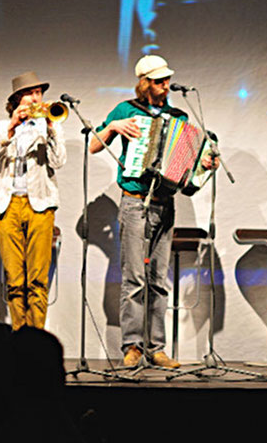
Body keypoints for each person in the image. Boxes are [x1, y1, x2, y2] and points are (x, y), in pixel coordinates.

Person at [89, 54, 216, 369]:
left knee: (158, 279)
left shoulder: (178, 116)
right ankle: (131, 346)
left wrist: (204, 165)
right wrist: (114, 127)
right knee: (134, 278)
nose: (165, 86)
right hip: (134, 201)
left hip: (165, 202)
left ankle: (155, 347)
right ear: (144, 83)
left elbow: (187, 167)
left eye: (167, 80)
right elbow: (94, 145)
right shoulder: (126, 110)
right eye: (159, 81)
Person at [0, 71, 66, 330]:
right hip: (10, 205)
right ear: (18, 98)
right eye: (30, 93)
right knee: (15, 279)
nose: (35, 98)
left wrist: (50, 131)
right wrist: (11, 128)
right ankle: (19, 337)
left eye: (39, 93)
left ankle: (37, 339)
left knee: (38, 280)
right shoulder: (0, 127)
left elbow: (59, 161)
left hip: (40, 205)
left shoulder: (50, 125)